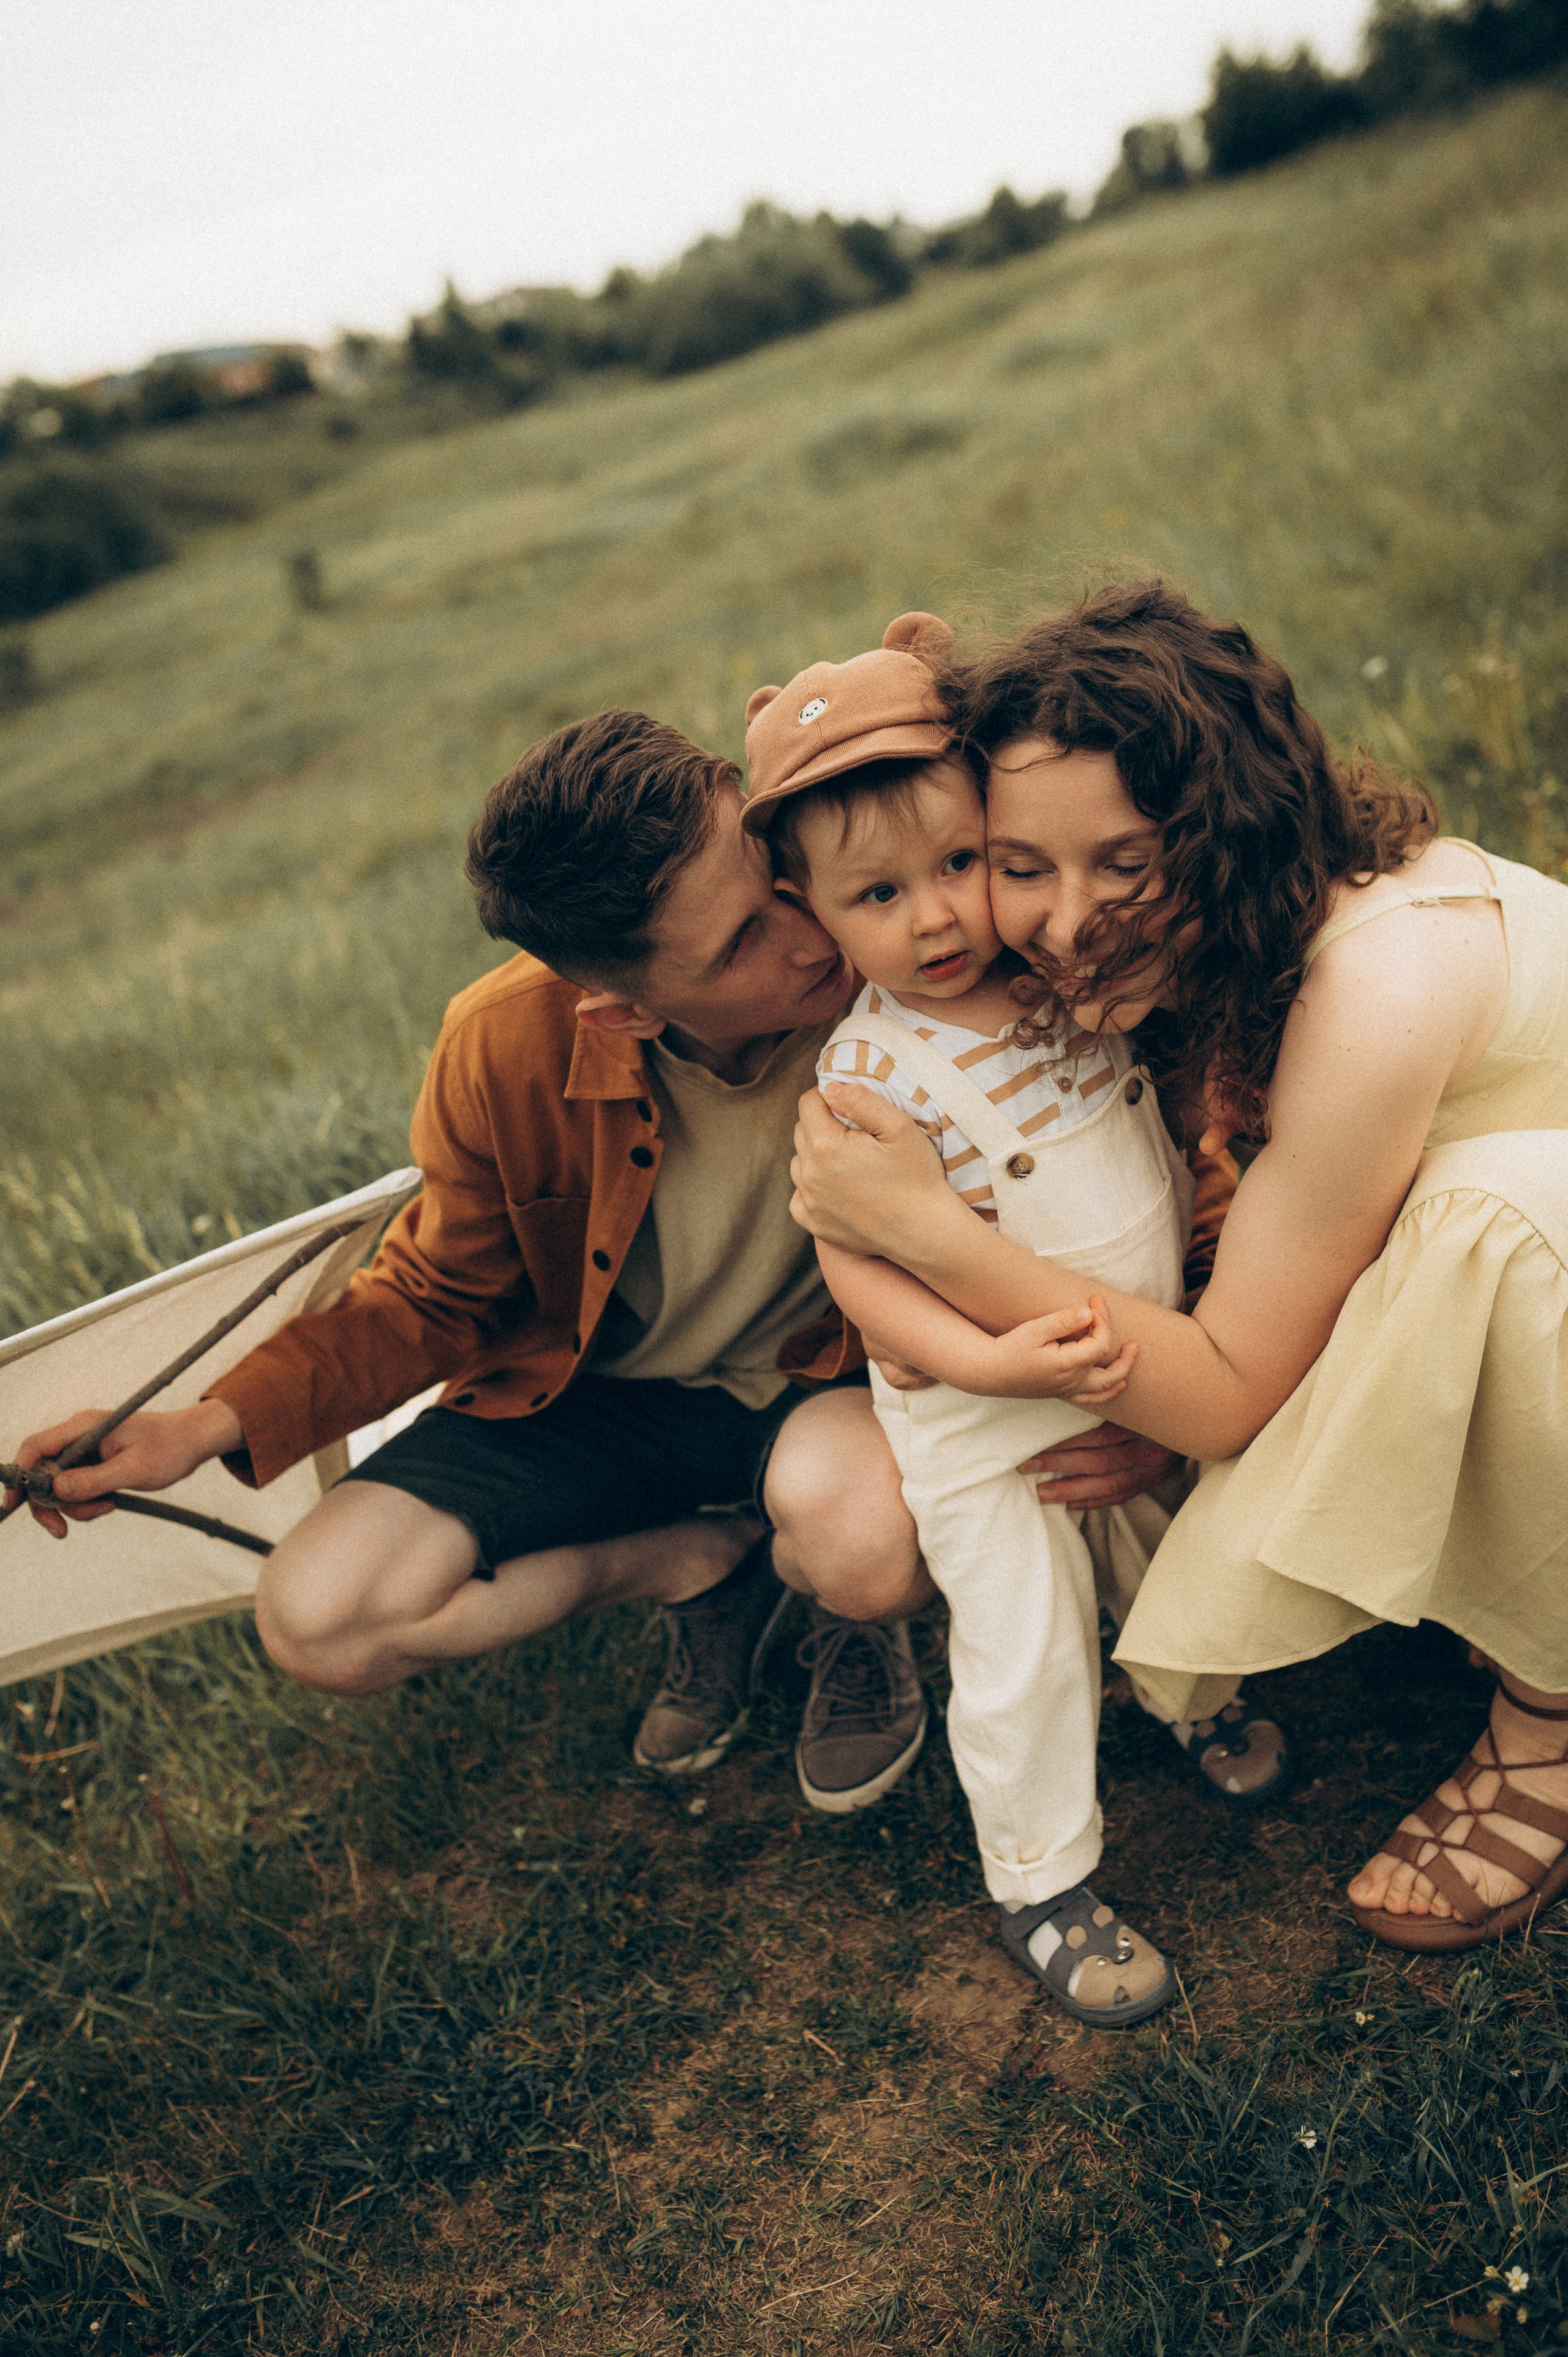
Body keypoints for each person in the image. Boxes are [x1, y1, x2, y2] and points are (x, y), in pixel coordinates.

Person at [12, 706, 1178, 1819]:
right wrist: (200, 1428)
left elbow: (1132, 1133)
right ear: (616, 1012)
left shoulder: (909, 954)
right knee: (319, 1621)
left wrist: (1162, 1381)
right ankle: (699, 1568)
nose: (811, 931)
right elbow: (429, 1298)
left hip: (830, 1383)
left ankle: (845, 1613)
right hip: (595, 1398)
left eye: (776, 875)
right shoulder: (501, 1044)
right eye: (742, 942)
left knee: (863, 1549)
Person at [788, 576, 1568, 1956]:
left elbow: (1216, 1396)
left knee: (1482, 1217)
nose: (1064, 920)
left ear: (1225, 834)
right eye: (1018, 865)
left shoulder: (1375, 986)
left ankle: (1550, 1716)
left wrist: (927, 1235)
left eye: (1126, 864)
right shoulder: (1211, 949)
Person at [741, 609, 1251, 2027]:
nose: (938, 917)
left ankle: (1191, 1696)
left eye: (960, 865)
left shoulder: (1065, 984)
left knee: (1166, 1545)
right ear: (815, 917)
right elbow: (863, 1272)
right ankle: (1040, 1875)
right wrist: (985, 1356)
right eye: (877, 898)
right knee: (1022, 1635)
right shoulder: (864, 1072)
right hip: (977, 1411)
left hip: (1131, 1358)